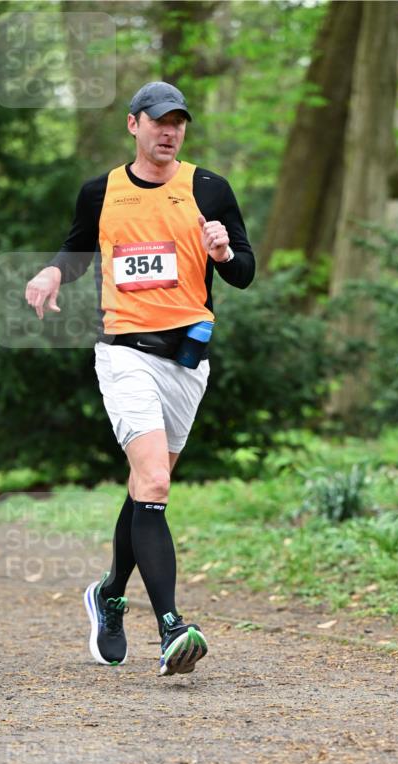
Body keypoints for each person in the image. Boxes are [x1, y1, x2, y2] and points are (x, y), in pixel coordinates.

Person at [25, 81, 255, 677]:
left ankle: (108, 593)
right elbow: (77, 250)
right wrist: (52, 274)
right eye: (158, 120)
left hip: (186, 363)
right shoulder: (101, 191)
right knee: (154, 481)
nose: (169, 130)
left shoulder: (208, 189)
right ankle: (172, 627)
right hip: (124, 352)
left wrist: (225, 252)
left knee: (145, 487)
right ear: (134, 125)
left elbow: (245, 274)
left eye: (177, 121)